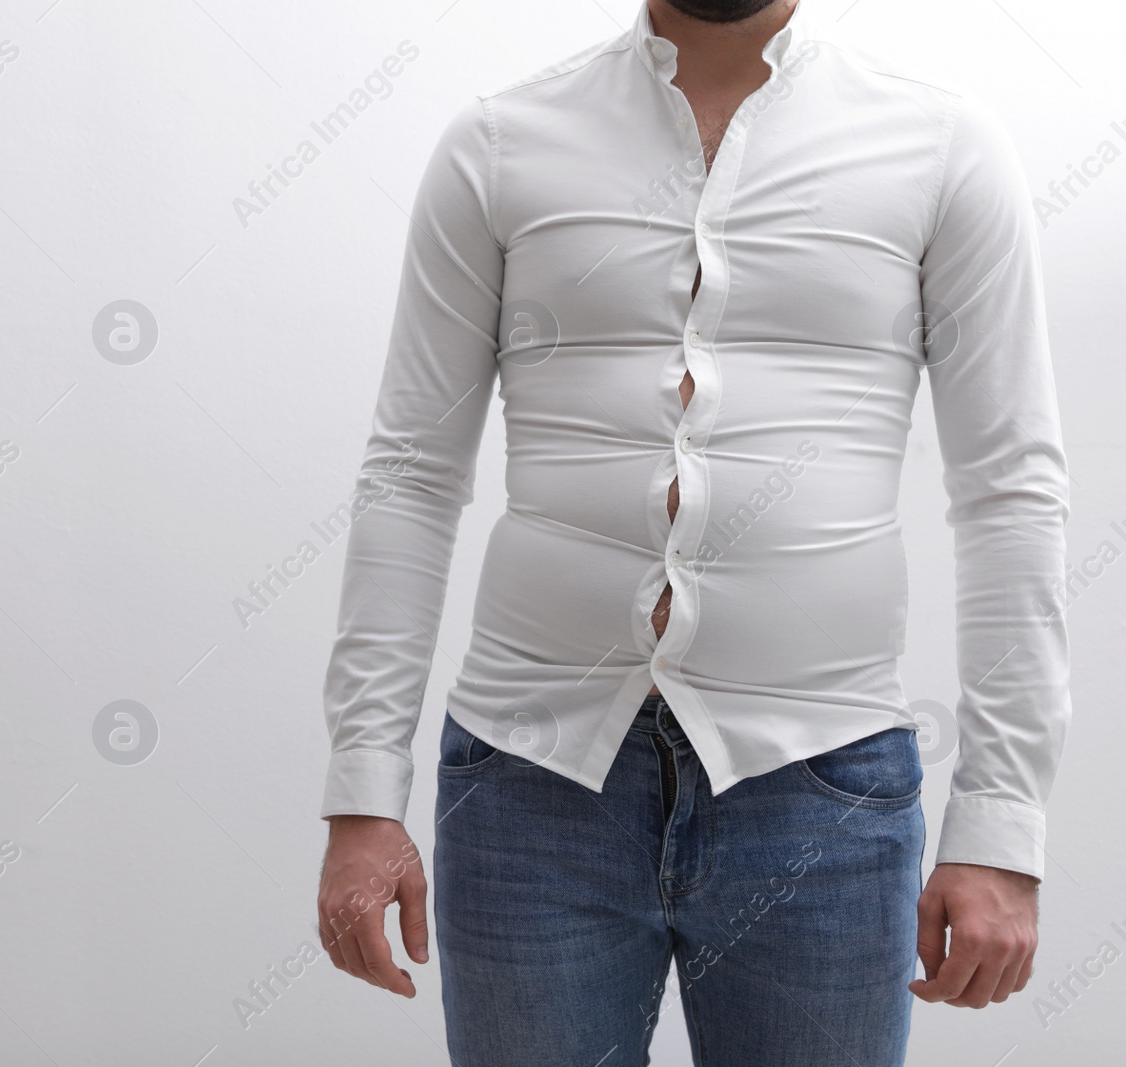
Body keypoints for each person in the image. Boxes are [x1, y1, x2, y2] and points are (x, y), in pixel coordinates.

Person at [314, 1, 1070, 1063]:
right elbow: (410, 472)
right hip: (527, 780)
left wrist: (999, 821)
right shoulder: (497, 142)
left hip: (825, 781)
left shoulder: (942, 147)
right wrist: (362, 792)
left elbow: (1008, 492)